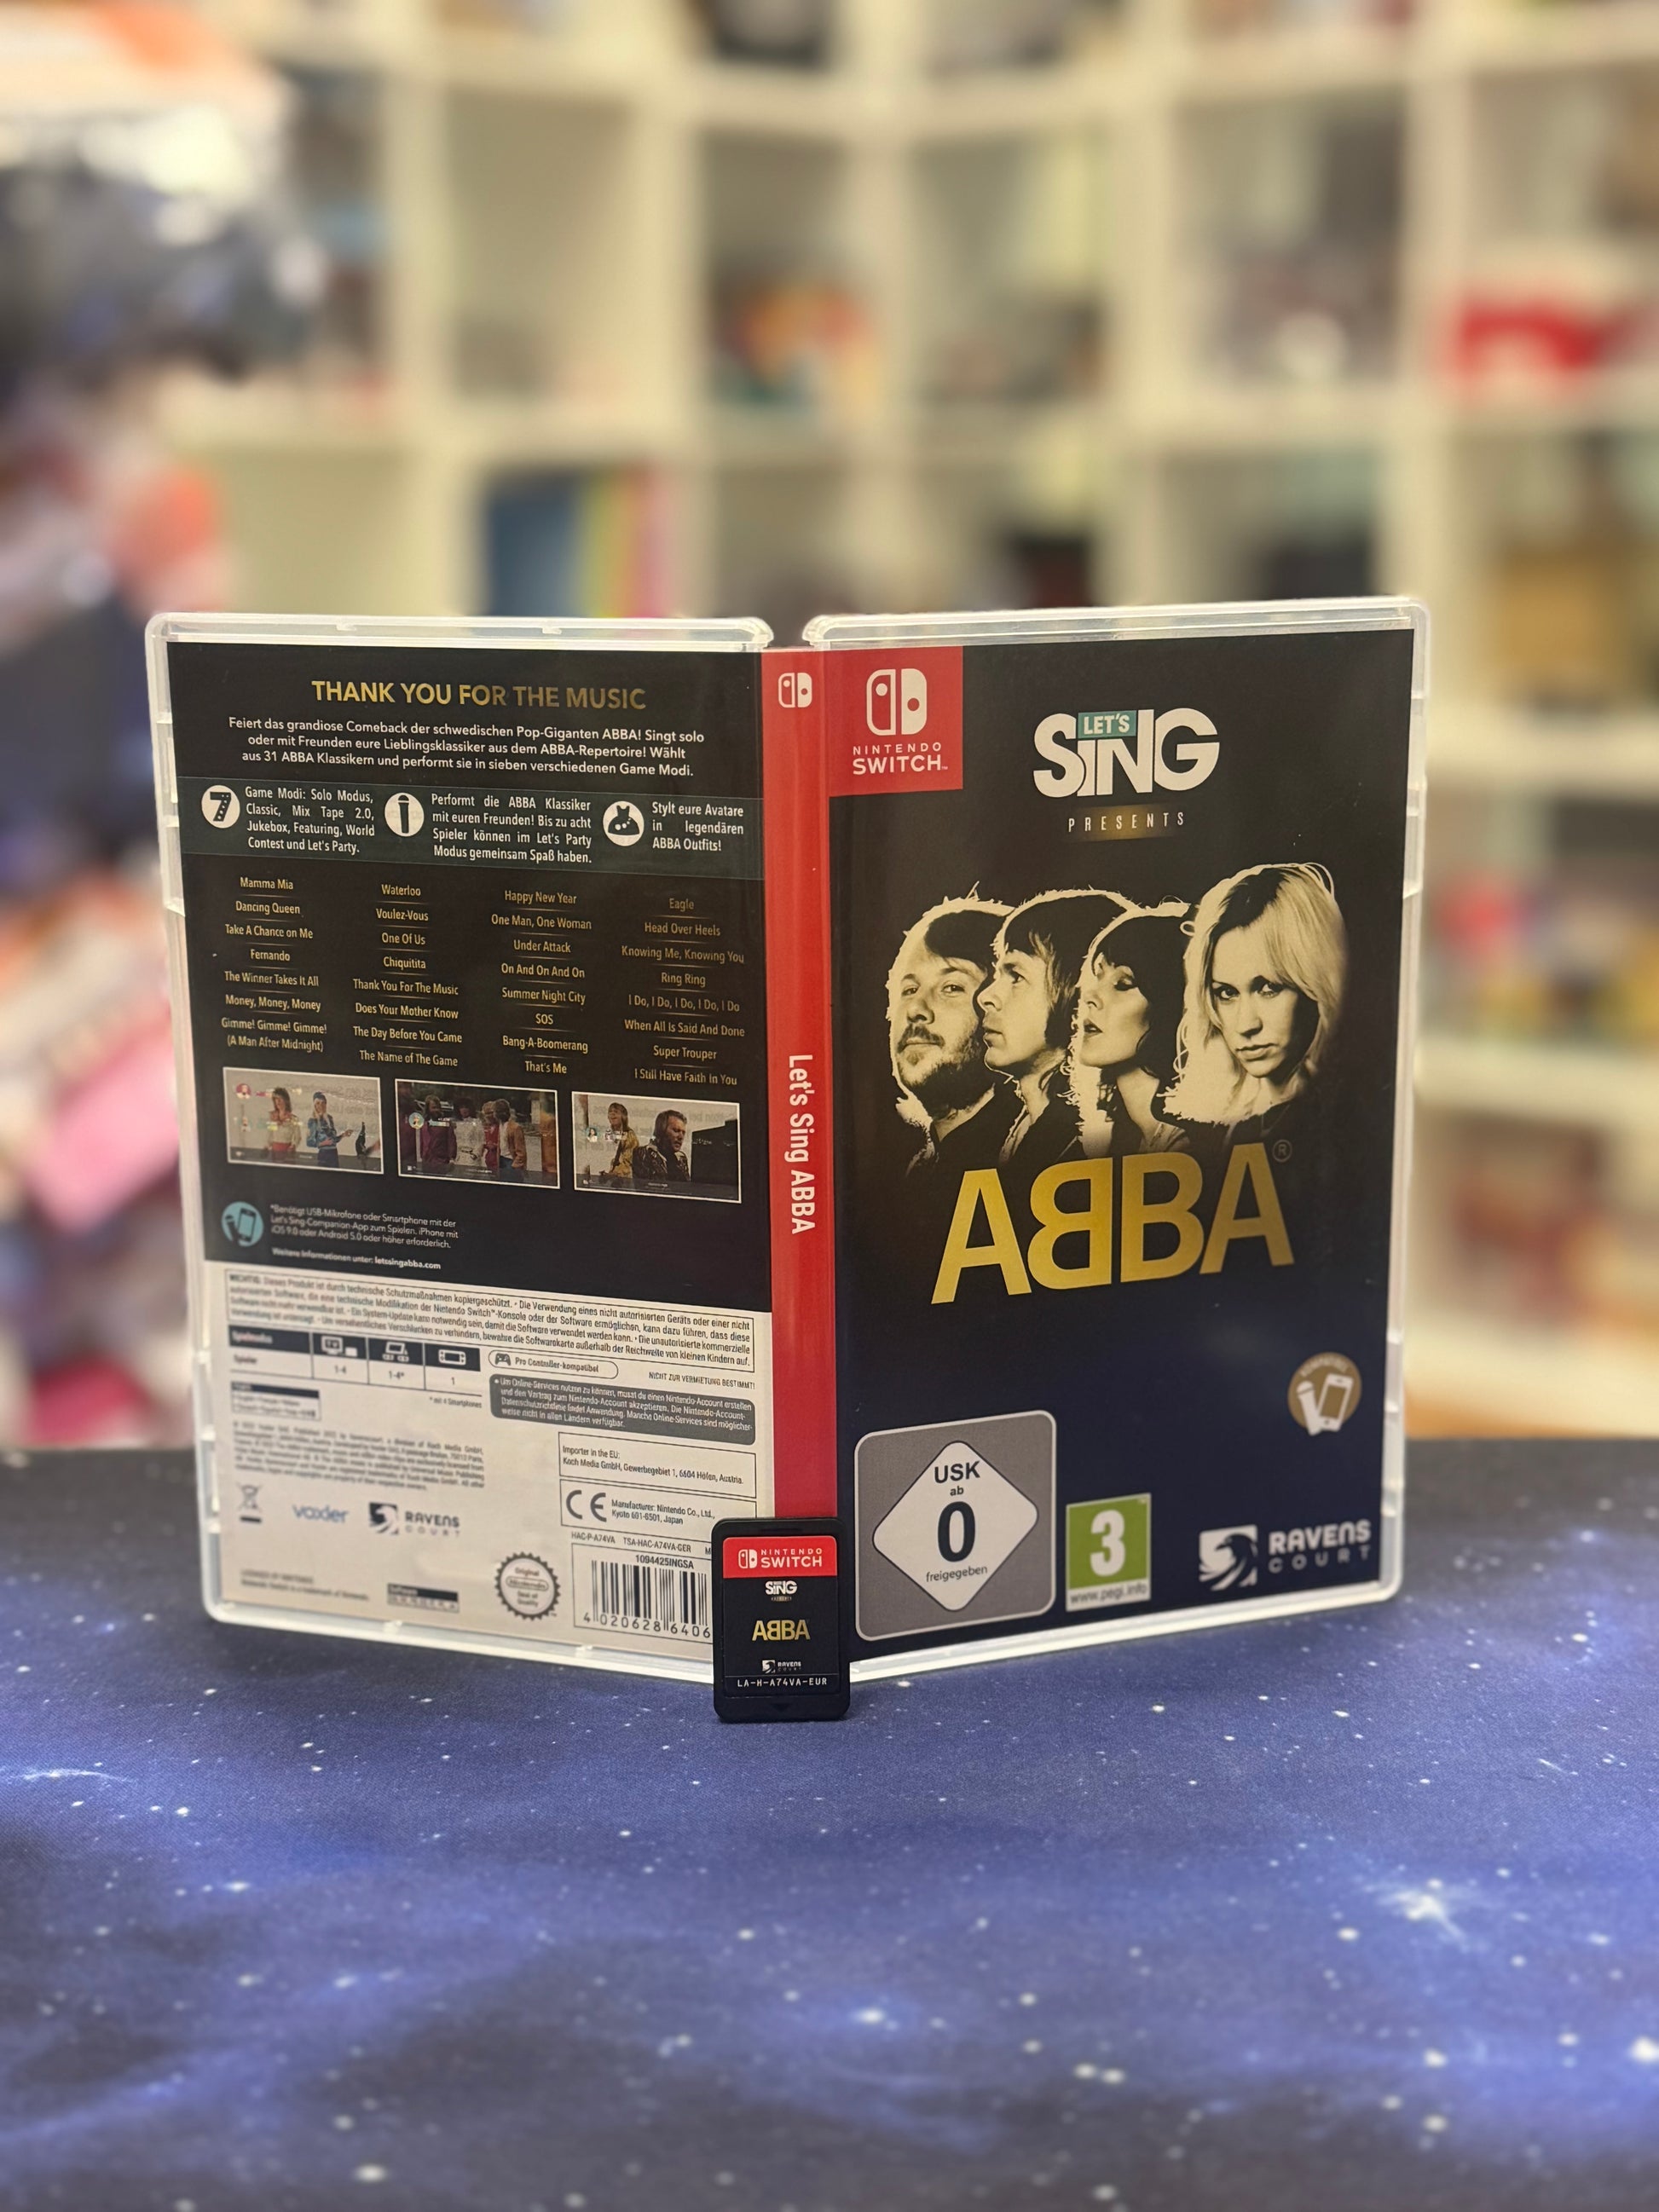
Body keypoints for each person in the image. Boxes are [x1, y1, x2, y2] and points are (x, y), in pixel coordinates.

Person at [1163, 863, 1346, 1137]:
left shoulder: (1348, 1119)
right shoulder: (1231, 1128)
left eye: (1269, 988)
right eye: (1227, 993)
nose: (1246, 1025)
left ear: (1316, 984)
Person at [976, 890, 1129, 1178]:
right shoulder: (1015, 1128)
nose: (986, 997)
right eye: (998, 976)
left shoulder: (1097, 1140)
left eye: (1016, 976)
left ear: (1075, 993)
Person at [887, 896, 1020, 1175]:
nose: (915, 1009)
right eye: (909, 990)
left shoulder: (1039, 1150)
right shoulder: (920, 1168)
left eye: (951, 987)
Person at [1069, 904, 1194, 1157]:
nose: (1090, 996)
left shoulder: (1189, 1145)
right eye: (1099, 976)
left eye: (1123, 984)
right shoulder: (1129, 1138)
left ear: (1168, 1006)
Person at [633, 1109, 691, 1191]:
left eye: (683, 1133)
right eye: (676, 1131)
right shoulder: (643, 1154)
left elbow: (687, 1189)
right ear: (661, 1131)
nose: (681, 1137)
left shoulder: (681, 1159)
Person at [600, 1101, 639, 1187]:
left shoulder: (629, 1135)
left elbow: (628, 1162)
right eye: (610, 1112)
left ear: (623, 1117)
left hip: (625, 1181)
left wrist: (614, 1174)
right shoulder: (608, 1134)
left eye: (616, 1112)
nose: (612, 1114)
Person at [418, 1094, 456, 1176]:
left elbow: (451, 1140)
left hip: (441, 1160)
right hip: (427, 1161)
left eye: (438, 1107)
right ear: (428, 1109)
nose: (436, 1110)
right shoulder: (424, 1124)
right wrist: (422, 1156)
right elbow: (422, 1141)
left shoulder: (446, 1122)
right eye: (434, 1107)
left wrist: (452, 1158)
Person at [452, 1097, 486, 1175]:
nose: (464, 1110)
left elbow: (481, 1141)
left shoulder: (477, 1123)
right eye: (461, 1107)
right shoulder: (456, 1124)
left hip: (471, 1157)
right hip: (459, 1157)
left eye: (466, 1107)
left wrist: (475, 1155)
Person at [306, 1092, 340, 1168]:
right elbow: (309, 1142)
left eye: (323, 1103)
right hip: (324, 1154)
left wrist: (343, 1135)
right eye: (318, 1103)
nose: (321, 1106)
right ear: (314, 1105)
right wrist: (324, 1143)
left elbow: (333, 1138)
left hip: (334, 1153)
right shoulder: (313, 1121)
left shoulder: (329, 1118)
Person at [266, 1087, 298, 1162]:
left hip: (287, 1152)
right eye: (276, 1099)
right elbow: (268, 1134)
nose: (278, 1101)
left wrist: (293, 1146)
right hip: (273, 1152)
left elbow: (297, 1137)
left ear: (286, 1100)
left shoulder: (293, 1119)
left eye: (280, 1098)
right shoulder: (271, 1117)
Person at [500, 1100, 529, 1183]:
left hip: (511, 1161)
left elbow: (521, 1151)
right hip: (501, 1160)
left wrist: (516, 1165)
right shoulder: (500, 1126)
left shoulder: (515, 1128)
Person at [480, 1099, 500, 1176]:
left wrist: (495, 1145)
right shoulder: (486, 1128)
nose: (488, 1116)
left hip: (499, 1160)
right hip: (489, 1160)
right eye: (486, 1114)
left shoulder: (502, 1127)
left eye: (491, 1113)